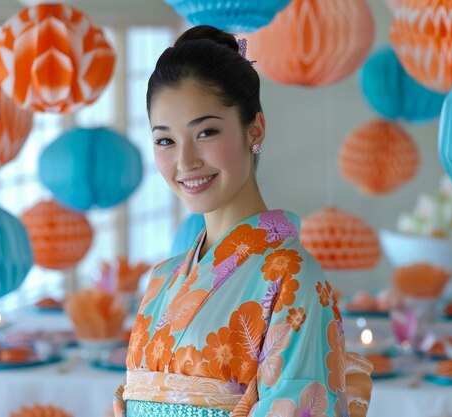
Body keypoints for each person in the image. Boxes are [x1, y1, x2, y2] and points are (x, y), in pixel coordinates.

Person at [113, 25, 373, 417]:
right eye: (165, 140)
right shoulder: (162, 279)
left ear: (255, 130)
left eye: (206, 132)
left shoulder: (293, 277)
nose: (185, 161)